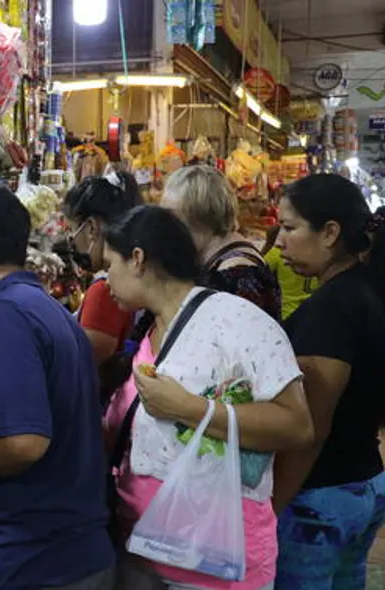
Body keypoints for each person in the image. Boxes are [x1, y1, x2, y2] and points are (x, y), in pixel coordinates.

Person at [102, 205, 312, 590]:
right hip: (144, 546)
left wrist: (189, 409)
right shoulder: (150, 329)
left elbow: (297, 425)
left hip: (216, 562)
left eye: (109, 264)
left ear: (137, 259)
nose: (104, 279)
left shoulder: (238, 322)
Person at [0, 184, 115, 590]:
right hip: (77, 551)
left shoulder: (2, 316)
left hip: (40, 560)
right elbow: (54, 399)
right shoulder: (43, 306)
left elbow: (23, 443)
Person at [270, 174, 385, 589]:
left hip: (321, 497)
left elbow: (310, 428)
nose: (279, 241)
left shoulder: (333, 308)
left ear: (330, 232)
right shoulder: (367, 289)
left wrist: (273, 506)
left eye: (289, 227)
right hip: (363, 481)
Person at [161, 165, 281, 320]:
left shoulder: (238, 274)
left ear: (200, 215)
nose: (165, 228)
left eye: (171, 218)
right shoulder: (220, 260)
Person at [62, 171, 142, 402]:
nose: (71, 240)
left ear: (91, 228)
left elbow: (84, 367)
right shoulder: (126, 278)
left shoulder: (106, 291)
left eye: (71, 229)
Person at [261, 225, 317, 320]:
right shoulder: (318, 252)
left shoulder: (277, 253)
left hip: (288, 313)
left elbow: (259, 273)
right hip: (315, 313)